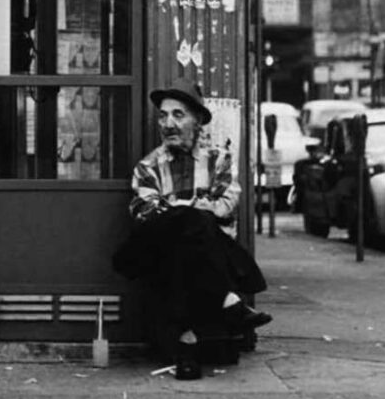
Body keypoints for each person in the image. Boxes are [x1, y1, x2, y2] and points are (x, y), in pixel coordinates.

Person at [112, 77, 272, 381]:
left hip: (189, 258)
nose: (168, 123)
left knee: (188, 245)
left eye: (177, 114)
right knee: (192, 223)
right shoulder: (147, 167)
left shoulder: (219, 160)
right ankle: (228, 302)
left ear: (197, 121)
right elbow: (146, 213)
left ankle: (186, 347)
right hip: (156, 254)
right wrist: (193, 207)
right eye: (163, 115)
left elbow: (227, 204)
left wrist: (178, 209)